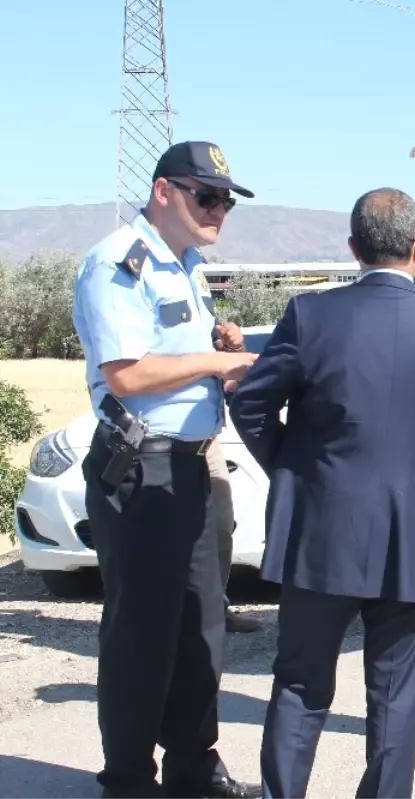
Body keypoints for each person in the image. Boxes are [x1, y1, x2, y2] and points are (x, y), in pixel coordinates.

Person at [227, 188, 415, 799]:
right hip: (414, 538)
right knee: (396, 698)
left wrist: (292, 470)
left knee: (300, 684)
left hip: (319, 533)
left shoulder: (311, 316)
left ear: (353, 249)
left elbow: (248, 401)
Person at [71, 140, 261, 799]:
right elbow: (126, 373)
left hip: (190, 465)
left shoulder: (184, 265)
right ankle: (127, 778)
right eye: (205, 196)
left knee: (200, 625)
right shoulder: (118, 262)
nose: (218, 210)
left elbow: (172, 352)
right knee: (143, 630)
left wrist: (219, 343)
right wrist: (217, 365)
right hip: (142, 466)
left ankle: (192, 765)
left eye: (225, 201)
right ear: (162, 192)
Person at [191, 278, 263, 635]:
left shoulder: (194, 277)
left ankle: (215, 609)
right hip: (160, 436)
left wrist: (233, 347)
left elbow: (228, 371)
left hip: (207, 436)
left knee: (220, 527)